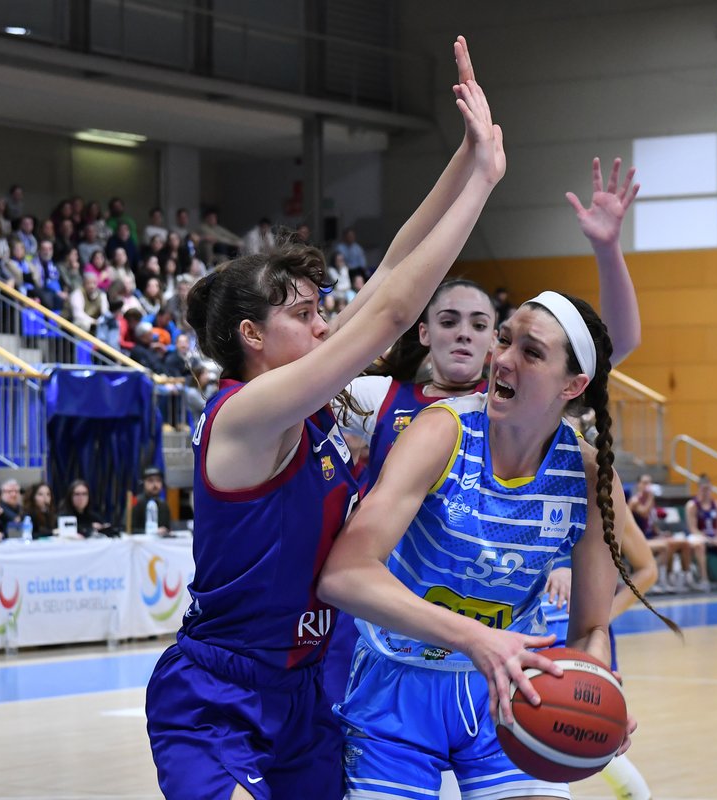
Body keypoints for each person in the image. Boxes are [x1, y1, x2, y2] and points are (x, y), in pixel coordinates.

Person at [144, 40, 505, 800]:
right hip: (220, 696)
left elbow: (394, 266)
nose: (322, 326)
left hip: (311, 685)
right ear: (251, 335)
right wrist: (485, 186)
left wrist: (470, 156)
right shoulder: (245, 415)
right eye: (305, 314)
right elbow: (394, 312)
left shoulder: (307, 403)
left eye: (321, 312)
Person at [319, 288, 672, 800]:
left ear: (573, 385)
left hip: (512, 692)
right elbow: (344, 575)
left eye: (531, 352)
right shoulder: (441, 432)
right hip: (396, 686)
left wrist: (595, 685)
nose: (502, 359)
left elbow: (590, 628)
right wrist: (477, 639)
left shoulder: (590, 477)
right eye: (504, 340)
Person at [541, 510, 660, 800]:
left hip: (582, 641)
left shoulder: (605, 496)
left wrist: (603, 615)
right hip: (524, 637)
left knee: (587, 740)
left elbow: (648, 570)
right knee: (541, 743)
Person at [131, 466, 173, 536]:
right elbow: (128, 528)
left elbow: (167, 528)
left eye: (158, 481)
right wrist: (152, 532)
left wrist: (165, 531)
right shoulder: (135, 501)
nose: (155, 484)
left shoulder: (164, 504)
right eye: (150, 481)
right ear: (143, 483)